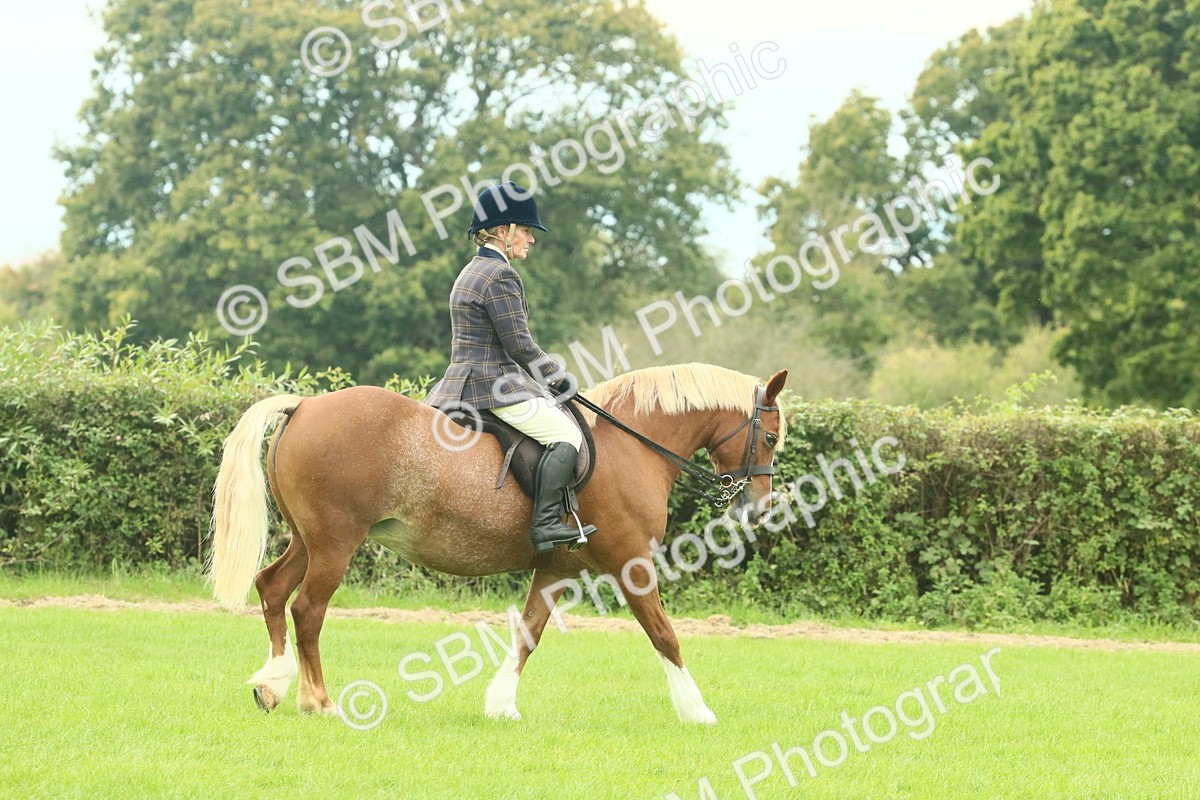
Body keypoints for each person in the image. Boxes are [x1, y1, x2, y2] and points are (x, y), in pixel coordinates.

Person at [424, 182, 598, 554]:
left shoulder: (470, 271)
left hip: (456, 384)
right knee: (566, 435)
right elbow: (519, 344)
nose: (531, 240)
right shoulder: (500, 276)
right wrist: (558, 378)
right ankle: (547, 523)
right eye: (526, 230)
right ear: (502, 232)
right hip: (492, 386)